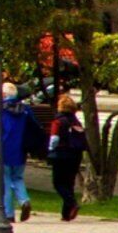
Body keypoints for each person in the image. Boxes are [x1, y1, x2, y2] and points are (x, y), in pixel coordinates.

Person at [0, 77, 34, 222]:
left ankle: (8, 213)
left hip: (4, 148)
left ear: (3, 95)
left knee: (5, 181)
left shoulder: (0, 109)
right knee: (18, 177)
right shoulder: (25, 110)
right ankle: (24, 200)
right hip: (21, 149)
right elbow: (33, 128)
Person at [44, 92, 89, 223]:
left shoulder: (58, 121)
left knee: (58, 183)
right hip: (75, 155)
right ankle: (66, 213)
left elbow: (54, 139)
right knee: (69, 183)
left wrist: (49, 150)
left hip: (61, 154)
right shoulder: (76, 122)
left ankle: (72, 203)